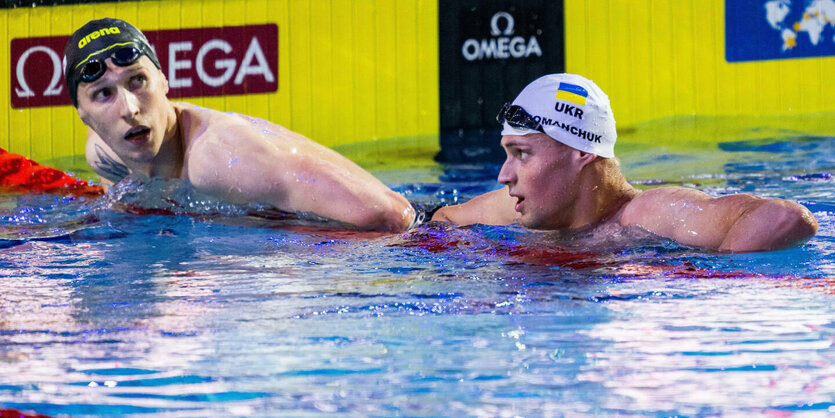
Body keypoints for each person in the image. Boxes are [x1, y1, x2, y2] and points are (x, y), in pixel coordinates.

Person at [64, 18, 415, 232]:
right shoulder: (102, 153)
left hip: (424, 237)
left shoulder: (219, 159)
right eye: (104, 94)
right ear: (84, 114)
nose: (128, 108)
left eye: (137, 81)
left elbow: (394, 216)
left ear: (163, 80)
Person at [432, 73, 818, 252]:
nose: (504, 175)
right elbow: (443, 221)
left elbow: (786, 218)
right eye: (506, 153)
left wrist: (715, 283)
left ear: (582, 152)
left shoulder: (647, 216)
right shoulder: (515, 211)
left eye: (522, 154)